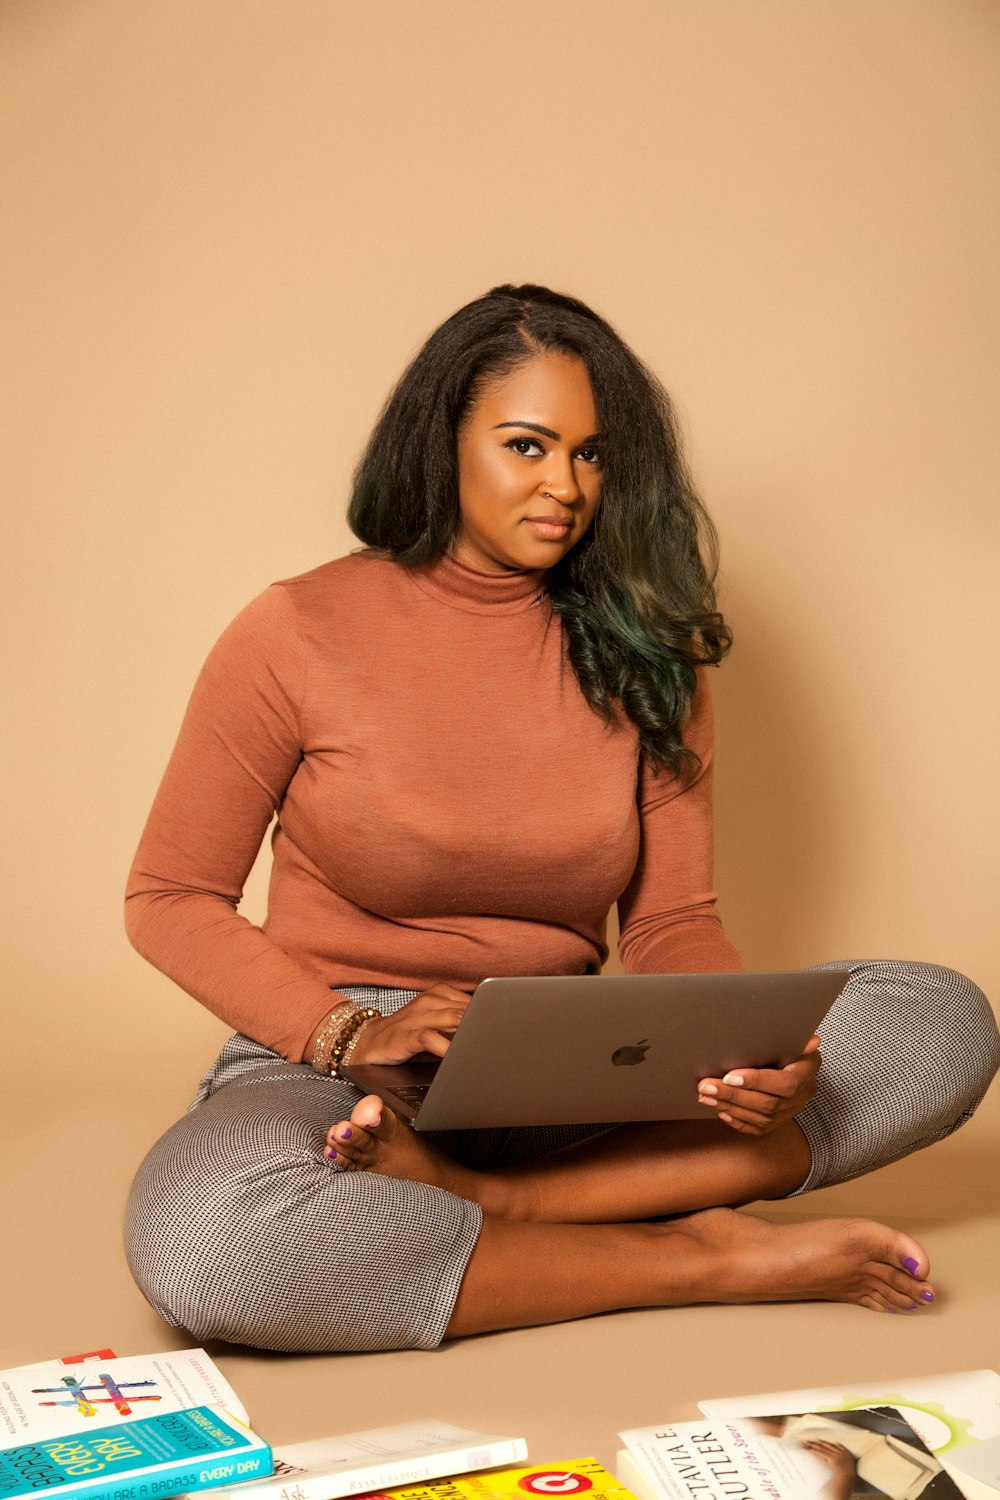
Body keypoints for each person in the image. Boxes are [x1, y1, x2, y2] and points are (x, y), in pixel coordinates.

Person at [124, 284, 999, 1354]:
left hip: (577, 1068)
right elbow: (169, 898)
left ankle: (510, 1207)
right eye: (528, 446)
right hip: (339, 1067)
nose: (565, 485)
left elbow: (673, 920)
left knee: (936, 1018)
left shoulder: (647, 649)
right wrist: (353, 1033)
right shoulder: (295, 629)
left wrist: (745, 1055)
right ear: (441, 438)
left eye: (591, 456)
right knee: (207, 1244)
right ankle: (692, 1256)